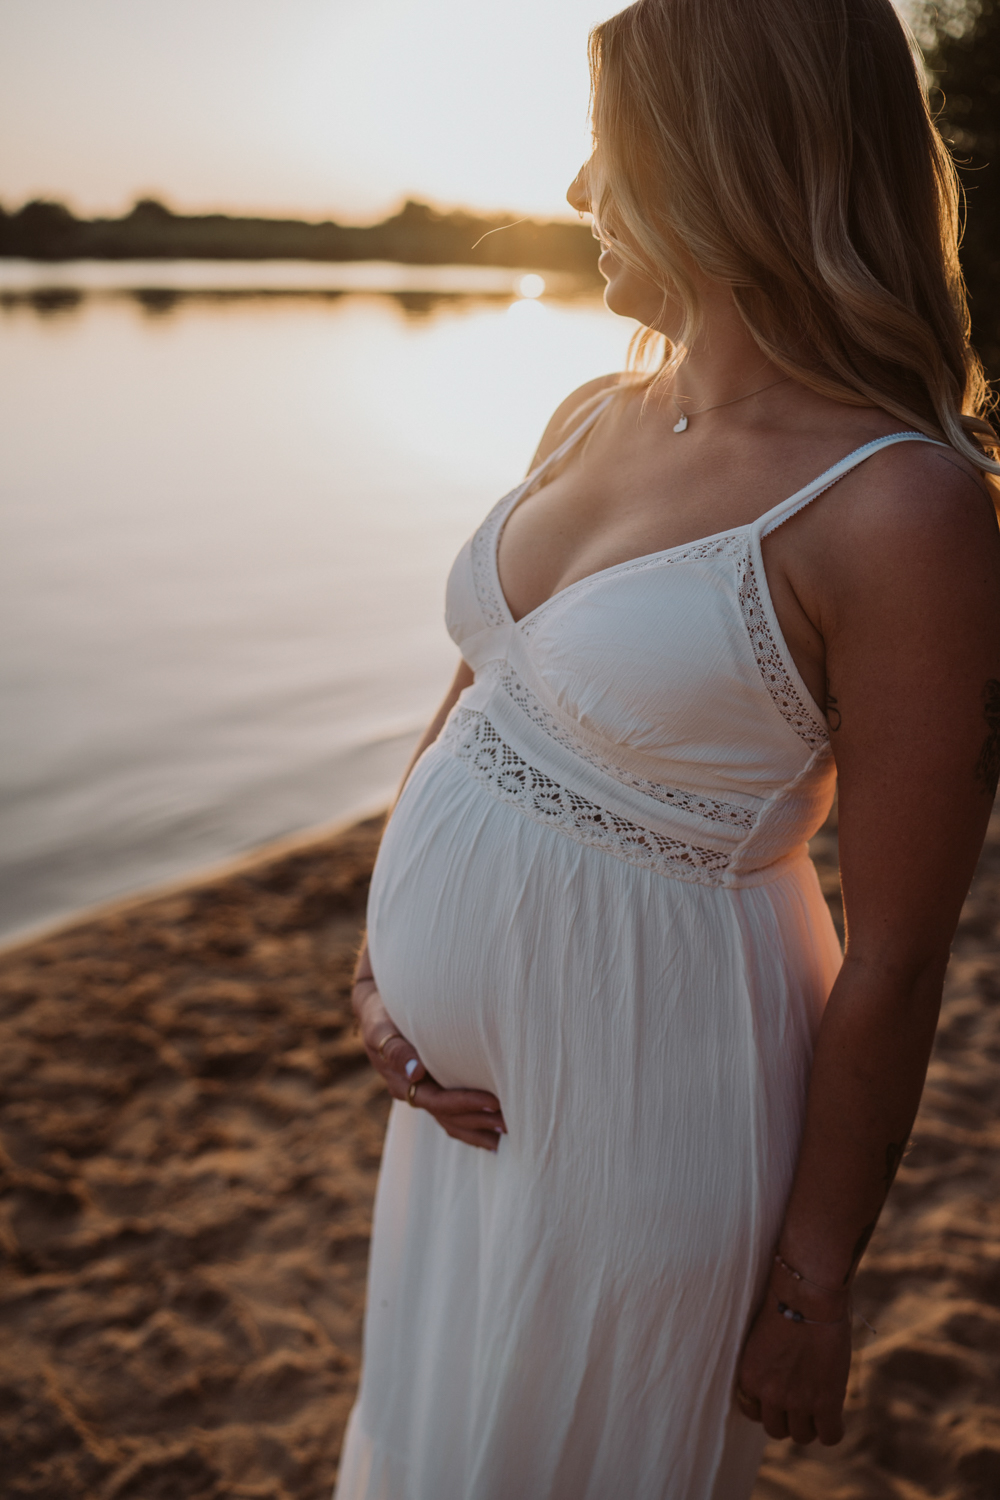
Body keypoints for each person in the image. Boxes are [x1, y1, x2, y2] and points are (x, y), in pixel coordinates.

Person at [334, 1, 1000, 1495]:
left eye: (605, 151)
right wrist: (382, 972)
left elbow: (898, 954)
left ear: (724, 162)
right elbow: (479, 696)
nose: (578, 194)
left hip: (648, 1100)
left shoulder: (905, 512)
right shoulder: (590, 412)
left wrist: (811, 1281)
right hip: (457, 1117)